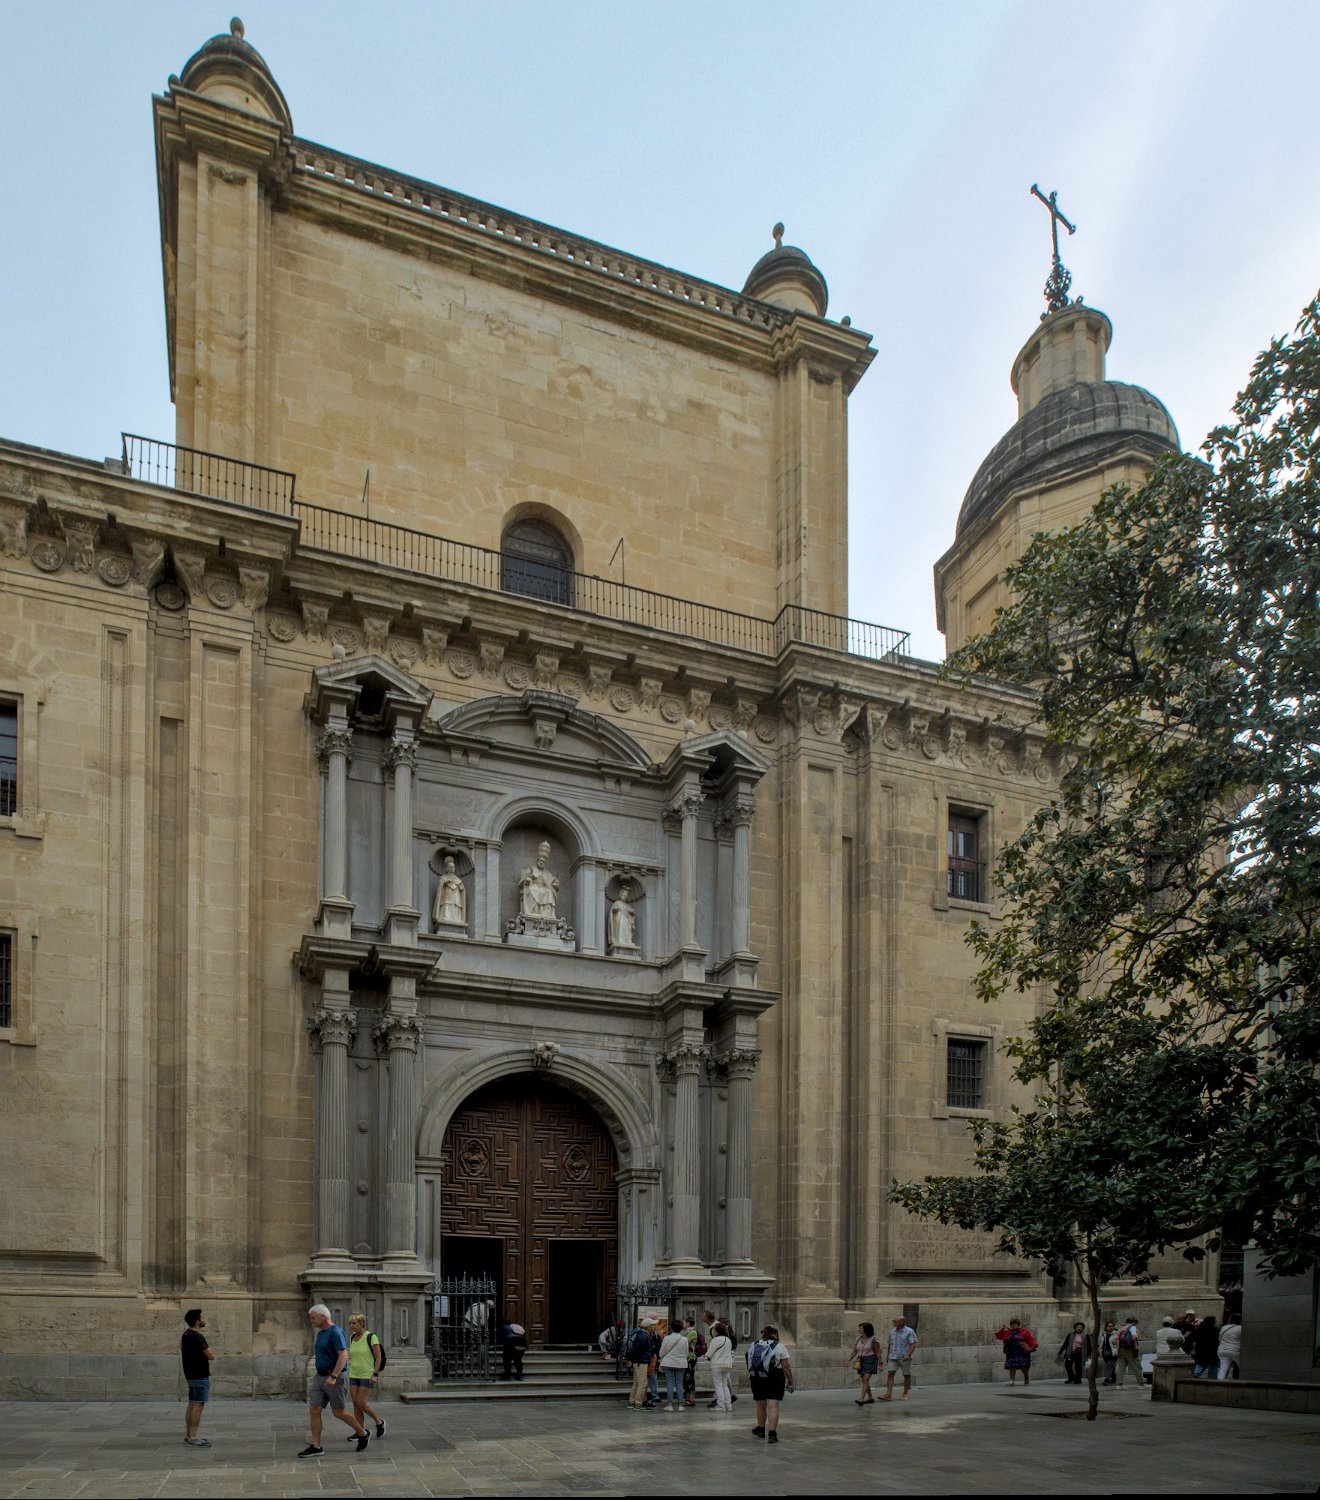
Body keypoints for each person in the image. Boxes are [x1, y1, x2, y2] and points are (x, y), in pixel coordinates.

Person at [299, 1304, 369, 1457]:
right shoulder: (321, 1333)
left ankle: (362, 1433)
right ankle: (316, 1446)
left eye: (313, 1317)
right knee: (314, 1409)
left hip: (334, 1378)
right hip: (320, 1377)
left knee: (338, 1412)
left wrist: (333, 1376)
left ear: (323, 1316)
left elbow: (343, 1356)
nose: (311, 1321)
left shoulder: (336, 1332)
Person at [745, 1324, 793, 1443]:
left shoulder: (754, 1344)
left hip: (757, 1377)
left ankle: (761, 1429)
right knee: (773, 1406)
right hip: (774, 1377)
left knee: (760, 1405)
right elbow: (786, 1366)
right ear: (775, 1334)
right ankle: (772, 1434)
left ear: (763, 1333)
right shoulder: (779, 1346)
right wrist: (791, 1381)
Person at [346, 1314, 385, 1440]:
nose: (351, 1326)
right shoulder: (351, 1337)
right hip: (354, 1374)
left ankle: (379, 1422)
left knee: (361, 1402)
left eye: (354, 1323)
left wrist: (375, 1374)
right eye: (350, 1323)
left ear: (361, 1323)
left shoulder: (371, 1337)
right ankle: (360, 1431)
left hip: (367, 1374)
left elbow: (379, 1357)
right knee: (355, 1404)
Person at [181, 1308, 215, 1448]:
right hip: (200, 1375)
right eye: (202, 1317)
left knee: (192, 1404)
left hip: (190, 1375)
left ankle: (189, 1435)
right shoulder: (197, 1336)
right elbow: (211, 1356)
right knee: (198, 1405)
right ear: (197, 1321)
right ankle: (194, 1437)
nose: (204, 1319)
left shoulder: (186, 1334)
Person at [878, 1313, 918, 1401]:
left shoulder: (909, 1331)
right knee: (890, 1373)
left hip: (904, 1357)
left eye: (895, 1321)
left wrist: (908, 1354)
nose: (893, 1322)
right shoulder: (892, 1331)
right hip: (893, 1356)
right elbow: (889, 1344)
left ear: (902, 1322)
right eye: (893, 1321)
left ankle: (905, 1393)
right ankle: (888, 1394)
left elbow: (913, 1344)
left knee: (906, 1375)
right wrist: (888, 1356)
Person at [518, 840, 559, 919]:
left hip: (544, 889)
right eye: (540, 860)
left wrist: (555, 885)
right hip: (533, 887)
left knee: (549, 892)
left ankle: (547, 914)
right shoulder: (531, 869)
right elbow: (521, 882)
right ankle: (534, 911)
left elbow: (551, 884)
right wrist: (527, 879)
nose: (542, 862)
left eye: (543, 861)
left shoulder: (547, 873)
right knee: (534, 890)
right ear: (537, 861)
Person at [624, 1319, 658, 1411]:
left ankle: (632, 1402)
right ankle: (638, 1404)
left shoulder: (641, 1335)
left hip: (638, 1361)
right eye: (652, 1325)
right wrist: (634, 1359)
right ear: (648, 1326)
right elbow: (637, 1350)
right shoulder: (643, 1336)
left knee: (636, 1383)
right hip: (641, 1362)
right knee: (643, 1384)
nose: (654, 1327)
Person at [995, 1317, 1038, 1385]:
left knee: (1023, 1366)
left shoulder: (1024, 1331)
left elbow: (1030, 1339)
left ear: (1018, 1325)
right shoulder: (1007, 1332)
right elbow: (998, 1336)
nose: (1013, 1325)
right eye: (1012, 1324)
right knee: (1012, 1367)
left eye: (1015, 1324)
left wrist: (1034, 1346)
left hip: (1022, 1351)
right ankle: (1011, 1381)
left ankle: (1026, 1377)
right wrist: (1002, 1329)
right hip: (1011, 1351)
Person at [704, 1320, 735, 1412]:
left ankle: (720, 1405)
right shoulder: (728, 1340)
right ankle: (728, 1405)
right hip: (728, 1364)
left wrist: (705, 1355)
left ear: (717, 1331)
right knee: (724, 1385)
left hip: (717, 1364)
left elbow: (709, 1354)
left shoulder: (715, 1340)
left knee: (718, 1385)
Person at [658, 1322, 689, 1410]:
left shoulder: (667, 1338)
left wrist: (662, 1357)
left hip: (668, 1362)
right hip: (681, 1363)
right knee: (679, 1384)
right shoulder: (684, 1339)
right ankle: (680, 1405)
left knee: (670, 1383)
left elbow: (661, 1352)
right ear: (681, 1328)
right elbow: (686, 1353)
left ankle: (670, 1405)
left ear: (671, 1328)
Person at [849, 1322, 881, 1404]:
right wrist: (848, 1360)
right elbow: (855, 1351)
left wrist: (880, 1364)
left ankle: (861, 1399)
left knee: (866, 1380)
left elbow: (877, 1352)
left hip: (870, 1360)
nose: (859, 1329)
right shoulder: (858, 1339)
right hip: (860, 1360)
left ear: (866, 1329)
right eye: (859, 1328)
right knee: (864, 1381)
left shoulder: (874, 1339)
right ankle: (870, 1398)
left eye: (861, 1328)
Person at [433, 855, 466, 927]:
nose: (452, 869)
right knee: (446, 906)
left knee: (455, 907)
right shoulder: (443, 878)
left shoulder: (458, 879)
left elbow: (462, 889)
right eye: (450, 867)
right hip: (447, 897)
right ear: (447, 868)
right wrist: (445, 882)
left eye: (453, 867)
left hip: (456, 898)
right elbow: (440, 887)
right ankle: (444, 918)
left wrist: (461, 888)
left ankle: (457, 919)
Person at [1057, 1321, 1091, 1385]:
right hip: (1070, 1353)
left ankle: (1078, 1379)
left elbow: (1089, 1346)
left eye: (1081, 1327)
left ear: (1083, 1328)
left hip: (1080, 1353)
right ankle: (1071, 1377)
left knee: (1078, 1367)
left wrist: (1089, 1354)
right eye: (1077, 1327)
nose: (1079, 1328)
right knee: (1067, 1365)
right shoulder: (1070, 1335)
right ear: (1075, 1328)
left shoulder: (1085, 1335)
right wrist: (1060, 1352)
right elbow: (1065, 1344)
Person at [1115, 1316, 1143, 1389]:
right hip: (1131, 1350)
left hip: (1121, 1350)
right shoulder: (1133, 1328)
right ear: (1133, 1322)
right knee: (1137, 1367)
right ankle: (1140, 1384)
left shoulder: (1121, 1329)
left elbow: (1117, 1340)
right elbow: (1134, 1337)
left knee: (1121, 1367)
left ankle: (1119, 1384)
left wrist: (1117, 1351)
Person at [1191, 1315, 1220, 1379]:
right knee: (1213, 1365)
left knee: (1201, 1363)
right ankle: (1212, 1379)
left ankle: (1196, 1373)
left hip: (1201, 1350)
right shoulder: (1215, 1330)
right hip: (1212, 1350)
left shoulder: (1199, 1330)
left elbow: (1196, 1339)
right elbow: (1217, 1340)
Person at [501, 1316, 528, 1381]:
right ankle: (519, 1376)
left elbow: (502, 1337)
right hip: (522, 1342)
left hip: (511, 1341)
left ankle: (507, 1376)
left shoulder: (504, 1327)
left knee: (507, 1360)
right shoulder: (515, 1326)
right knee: (518, 1360)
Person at [1217, 1315, 1242, 1380]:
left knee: (1223, 1369)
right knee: (1243, 1368)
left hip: (1222, 1350)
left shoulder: (1224, 1327)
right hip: (1235, 1350)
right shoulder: (1240, 1328)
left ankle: (1219, 1384)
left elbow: (1219, 1339)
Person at [1099, 1320, 1119, 1385]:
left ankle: (1107, 1379)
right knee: (1110, 1366)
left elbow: (1119, 1342)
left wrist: (1116, 1343)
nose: (1110, 1327)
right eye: (1109, 1326)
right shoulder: (1103, 1334)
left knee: (1109, 1366)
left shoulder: (1116, 1333)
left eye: (1112, 1326)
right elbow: (1100, 1342)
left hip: (1113, 1352)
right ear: (1106, 1327)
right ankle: (1114, 1378)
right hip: (1104, 1352)